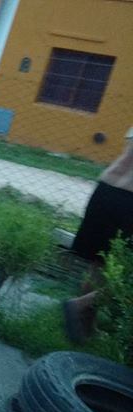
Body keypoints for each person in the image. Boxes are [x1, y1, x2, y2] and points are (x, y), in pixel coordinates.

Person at [63, 129, 133, 342]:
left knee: (99, 263)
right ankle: (80, 305)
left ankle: (85, 326)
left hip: (106, 191)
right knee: (127, 274)